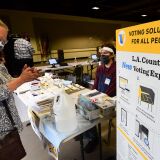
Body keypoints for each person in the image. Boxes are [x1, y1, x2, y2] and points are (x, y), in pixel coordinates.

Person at [0, 19, 40, 157]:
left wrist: (24, 77)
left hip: (9, 126)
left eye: (4, 42)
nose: (2, 46)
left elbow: (7, 82)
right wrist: (21, 79)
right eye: (0, 40)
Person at [84, 43, 116, 153]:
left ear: (112, 55)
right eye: (101, 53)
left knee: (89, 111)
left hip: (109, 99)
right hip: (99, 96)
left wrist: (98, 99)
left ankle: (93, 138)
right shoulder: (100, 68)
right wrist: (91, 95)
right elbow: (96, 85)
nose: (102, 55)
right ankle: (86, 134)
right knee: (83, 105)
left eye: (105, 53)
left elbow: (111, 90)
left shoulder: (116, 69)